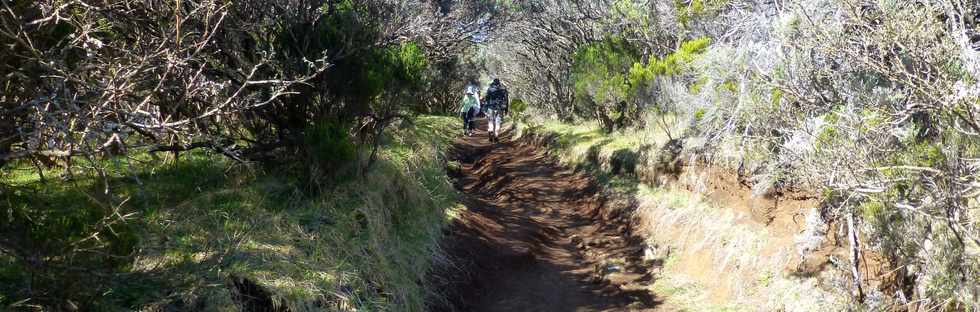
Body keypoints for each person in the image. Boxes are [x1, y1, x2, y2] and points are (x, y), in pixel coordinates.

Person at [483, 78, 509, 143]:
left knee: (490, 121)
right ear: (499, 83)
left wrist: (485, 109)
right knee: (498, 122)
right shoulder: (503, 89)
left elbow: (486, 99)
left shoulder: (489, 89)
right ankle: (496, 136)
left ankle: (491, 130)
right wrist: (506, 109)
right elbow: (506, 100)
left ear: (493, 83)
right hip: (499, 108)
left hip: (491, 107)